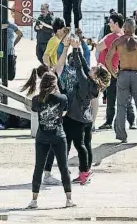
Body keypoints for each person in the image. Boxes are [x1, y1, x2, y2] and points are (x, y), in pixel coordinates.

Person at [56, 36, 111, 185]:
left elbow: (80, 69)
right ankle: (82, 172)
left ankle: (82, 172)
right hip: (84, 118)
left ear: (96, 76)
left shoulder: (87, 84)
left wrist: (74, 49)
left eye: (94, 69)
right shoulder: (92, 82)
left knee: (75, 145)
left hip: (76, 118)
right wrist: (78, 47)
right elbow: (85, 66)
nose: (91, 68)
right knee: (81, 145)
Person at [28, 72, 75, 209]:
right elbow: (64, 112)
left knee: (38, 167)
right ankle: (68, 199)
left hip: (42, 136)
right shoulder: (62, 98)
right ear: (55, 84)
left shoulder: (36, 99)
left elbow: (34, 110)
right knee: (63, 167)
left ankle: (34, 200)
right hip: (58, 135)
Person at [106, 18, 137, 143]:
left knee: (121, 106)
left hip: (122, 74)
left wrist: (113, 73)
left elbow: (108, 59)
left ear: (124, 28)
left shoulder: (118, 41)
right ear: (134, 28)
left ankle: (122, 136)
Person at [97, 13, 136, 130]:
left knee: (111, 97)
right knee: (126, 97)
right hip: (121, 69)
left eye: (111, 22)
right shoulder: (124, 36)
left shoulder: (111, 37)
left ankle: (109, 121)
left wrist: (103, 38)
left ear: (116, 24)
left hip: (110, 70)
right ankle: (132, 121)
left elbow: (99, 47)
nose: (109, 24)